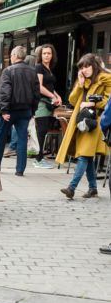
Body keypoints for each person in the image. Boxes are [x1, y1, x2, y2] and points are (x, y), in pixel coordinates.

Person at [57, 53, 111, 200]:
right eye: (82, 67)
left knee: (83, 155)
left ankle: (72, 188)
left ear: (94, 65)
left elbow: (109, 101)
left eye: (87, 66)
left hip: (95, 121)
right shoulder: (83, 79)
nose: (85, 69)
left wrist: (92, 103)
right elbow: (73, 100)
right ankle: (93, 188)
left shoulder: (106, 78)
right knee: (87, 157)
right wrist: (80, 85)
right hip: (80, 121)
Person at [0, 46, 39, 177]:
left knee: (1, 138)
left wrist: (4, 110)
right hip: (25, 111)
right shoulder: (32, 72)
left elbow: (5, 92)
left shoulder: (8, 71)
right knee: (22, 139)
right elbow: (36, 94)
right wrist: (32, 111)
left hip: (10, 111)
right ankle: (20, 170)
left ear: (14, 55)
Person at [33, 44, 62, 169]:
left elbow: (49, 86)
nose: (46, 55)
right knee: (41, 130)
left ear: (52, 55)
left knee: (43, 130)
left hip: (48, 102)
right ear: (40, 55)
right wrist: (53, 97)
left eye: (49, 53)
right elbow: (39, 86)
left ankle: (40, 158)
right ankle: (38, 159)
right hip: (41, 103)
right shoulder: (39, 67)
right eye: (44, 53)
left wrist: (57, 96)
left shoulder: (48, 68)